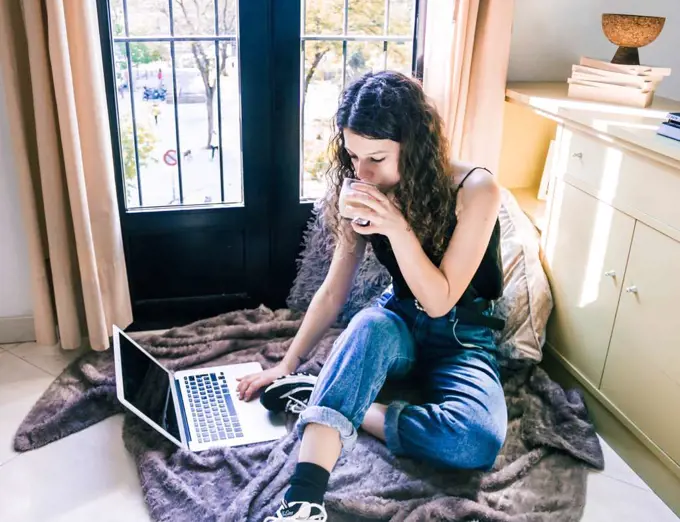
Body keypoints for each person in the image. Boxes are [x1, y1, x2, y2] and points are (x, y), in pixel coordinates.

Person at [236, 71, 508, 522]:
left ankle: (329, 399)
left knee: (474, 440)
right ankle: (302, 501)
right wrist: (287, 363)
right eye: (353, 156)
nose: (361, 173)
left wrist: (396, 226)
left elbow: (440, 300)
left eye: (376, 158)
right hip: (398, 317)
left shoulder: (476, 190)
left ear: (415, 145)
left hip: (463, 336)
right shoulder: (365, 187)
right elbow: (333, 289)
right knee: (367, 325)